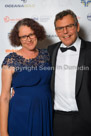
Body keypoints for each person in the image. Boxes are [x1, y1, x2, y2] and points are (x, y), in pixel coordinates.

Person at [0, 18, 53, 136]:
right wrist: (3, 132)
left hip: (44, 111)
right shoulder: (10, 60)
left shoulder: (47, 55)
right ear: (18, 39)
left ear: (37, 34)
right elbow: (4, 97)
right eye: (23, 36)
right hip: (20, 114)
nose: (28, 39)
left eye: (31, 34)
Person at [48, 9, 91, 136]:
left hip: (86, 119)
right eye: (60, 28)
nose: (65, 32)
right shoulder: (50, 51)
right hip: (57, 120)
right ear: (56, 31)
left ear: (77, 26)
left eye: (69, 26)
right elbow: (39, 75)